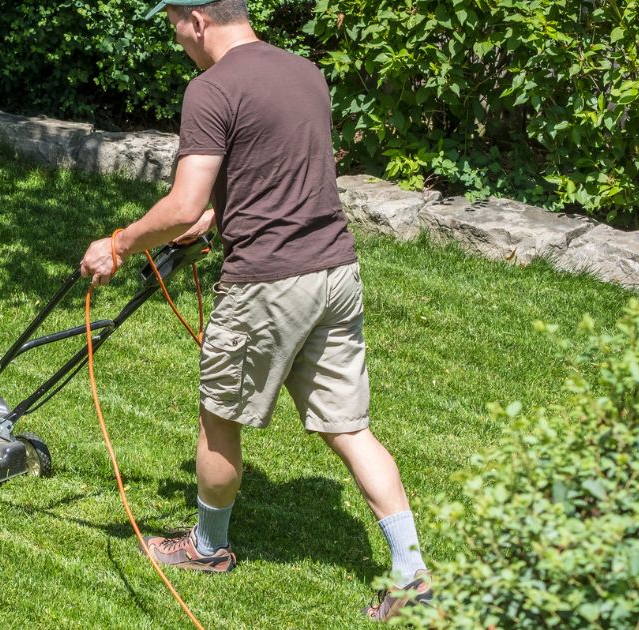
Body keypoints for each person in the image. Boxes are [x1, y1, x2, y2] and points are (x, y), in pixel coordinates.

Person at [78, 0, 431, 620]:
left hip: (267, 284)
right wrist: (213, 218)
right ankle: (413, 573)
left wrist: (119, 243)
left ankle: (208, 547)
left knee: (219, 418)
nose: (180, 43)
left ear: (197, 20)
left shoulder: (210, 89)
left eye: (175, 30)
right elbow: (270, 174)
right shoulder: (305, 71)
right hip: (336, 270)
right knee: (347, 427)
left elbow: (186, 204)